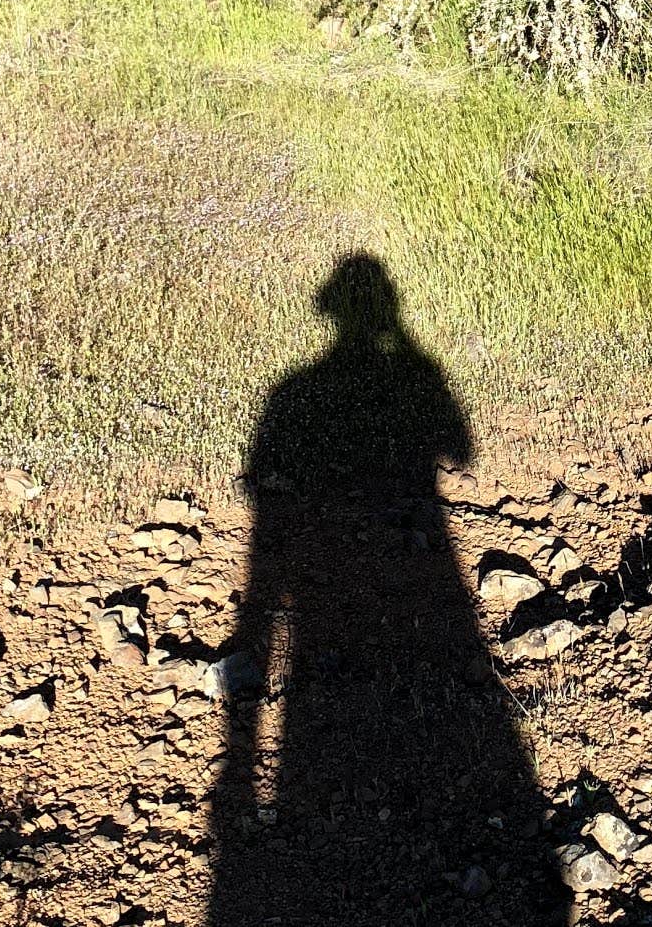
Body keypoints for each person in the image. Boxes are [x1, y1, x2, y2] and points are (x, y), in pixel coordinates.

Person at [203, 253, 559, 925]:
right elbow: (459, 448)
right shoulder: (413, 373)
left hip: (319, 566)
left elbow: (264, 485)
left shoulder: (293, 389)